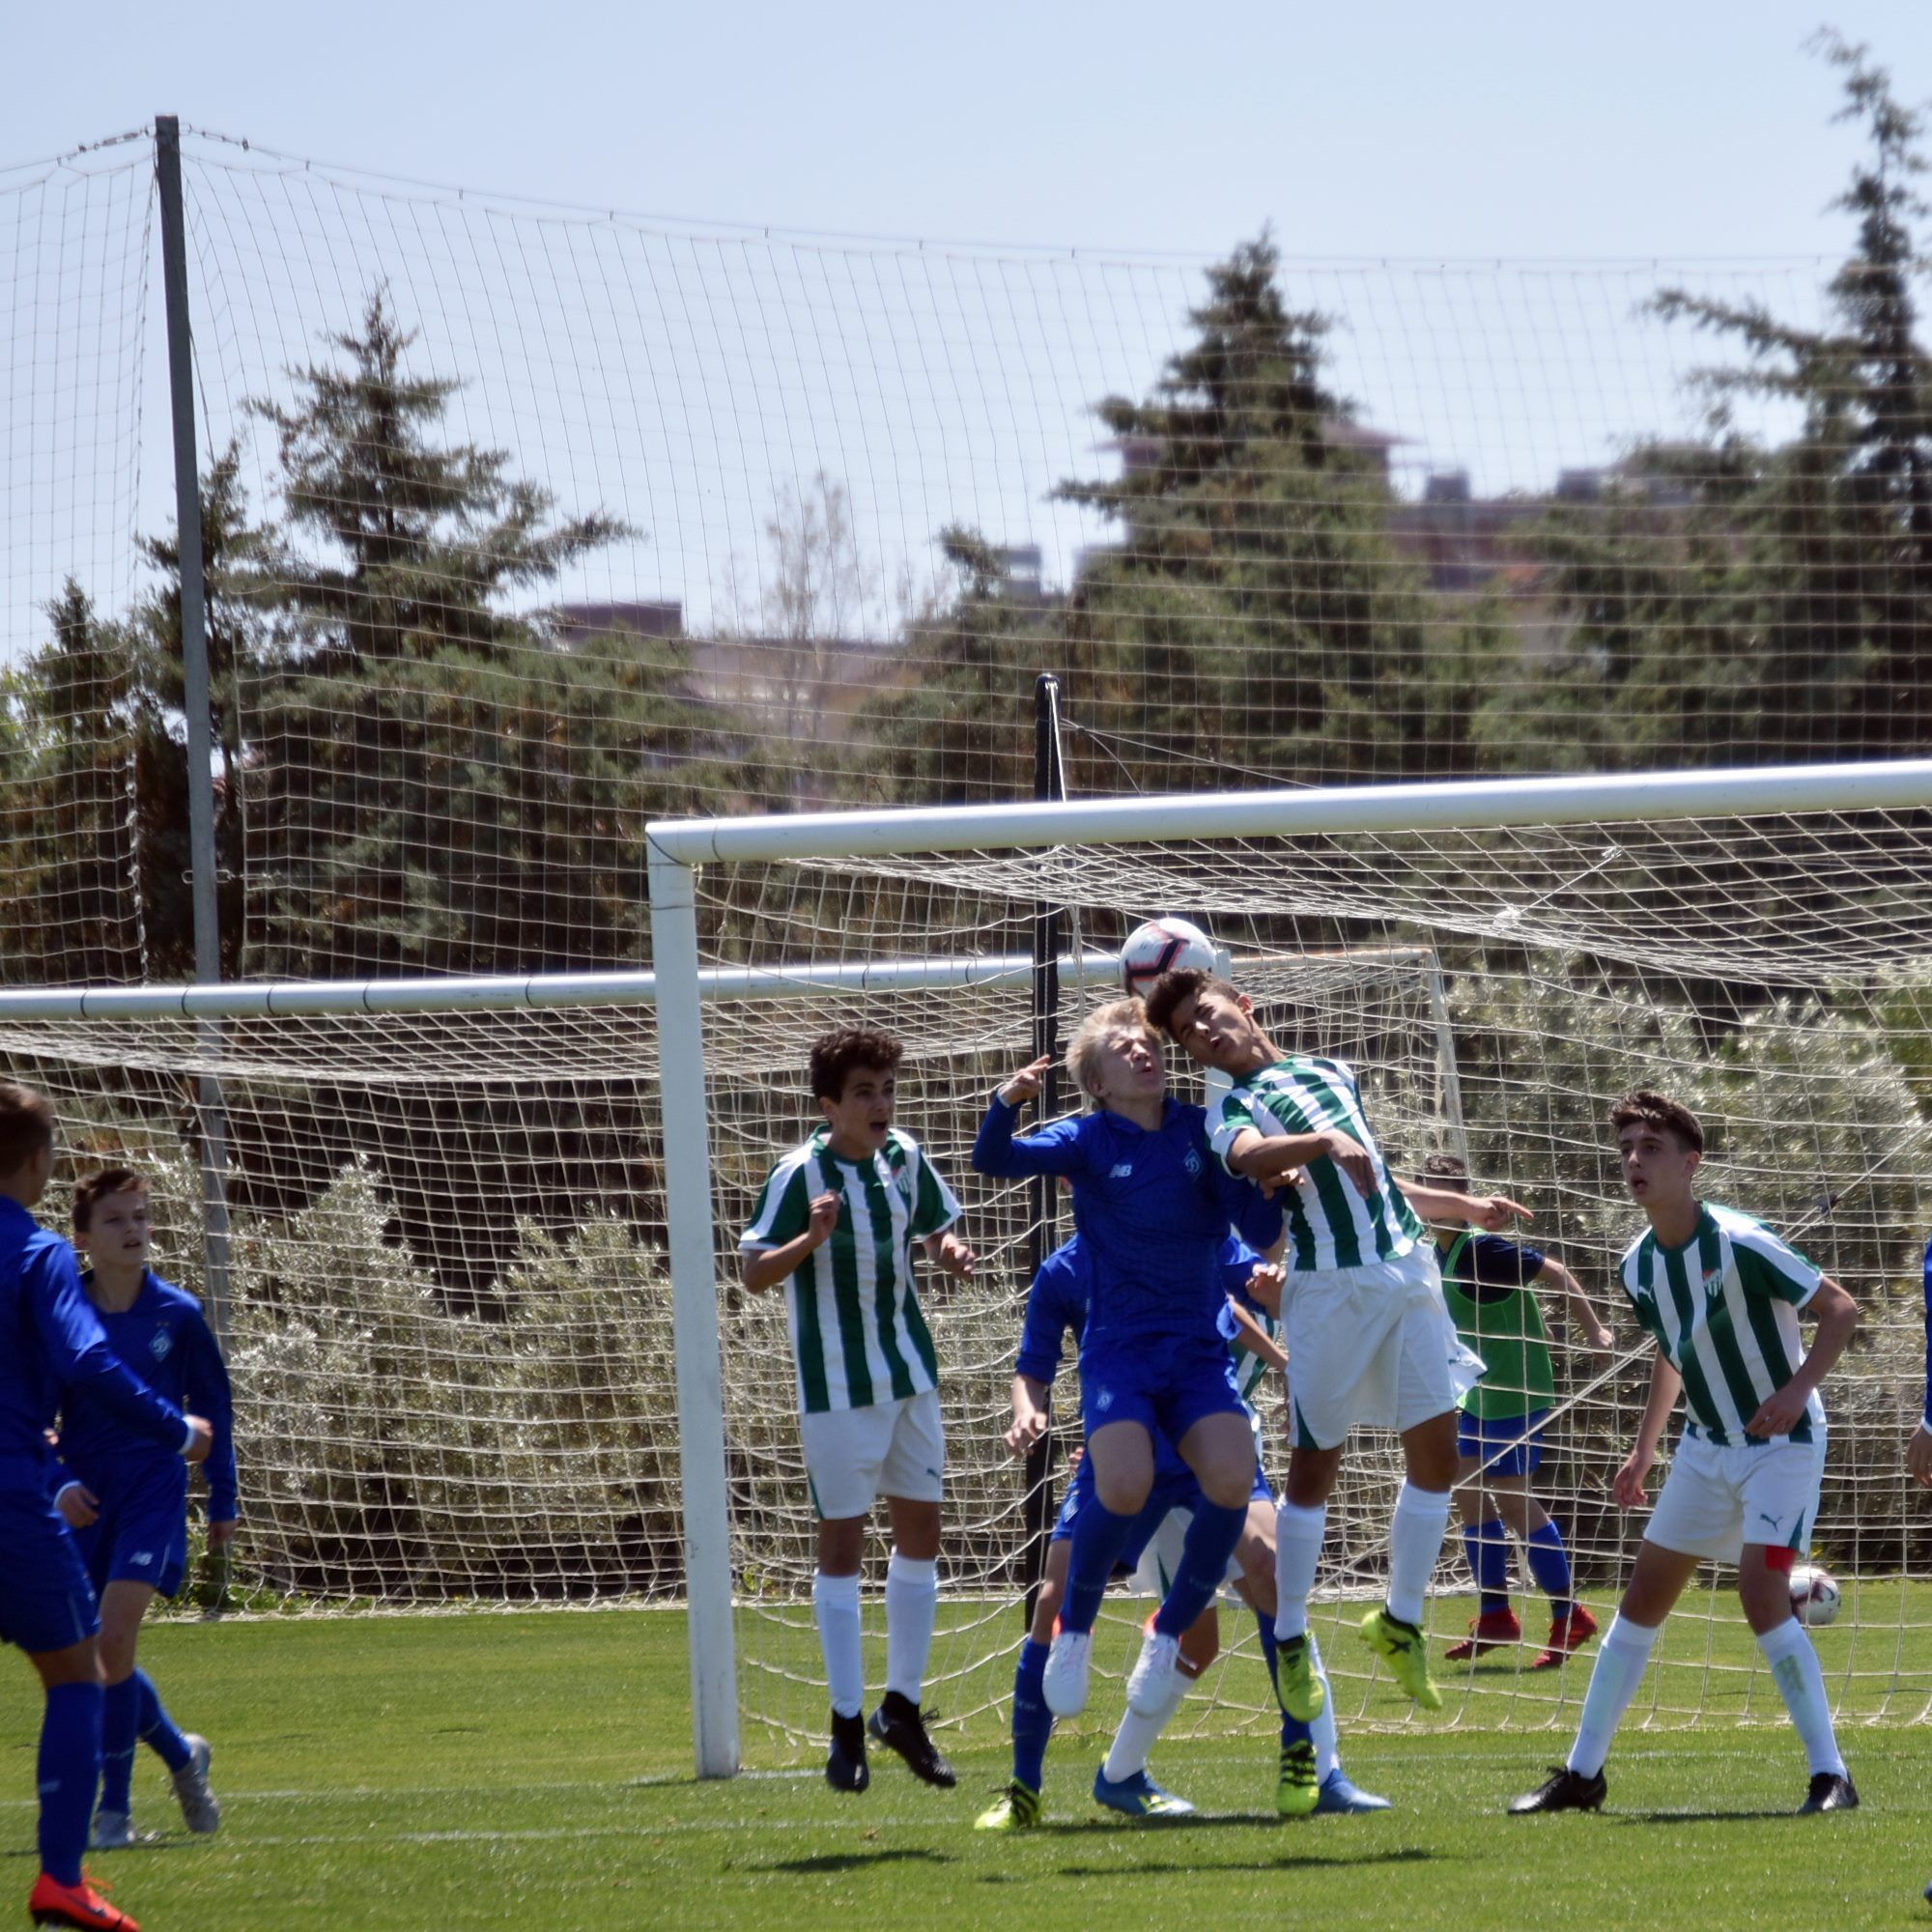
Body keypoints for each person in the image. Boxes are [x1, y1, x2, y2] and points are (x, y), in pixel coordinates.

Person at [1145, 969, 1524, 1720]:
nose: (1205, 1031)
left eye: (1208, 1012)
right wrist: (1320, 1141)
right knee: (1316, 1464)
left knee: (1440, 1454)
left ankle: (1402, 1621)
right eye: (1189, 1032)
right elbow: (1251, 1154)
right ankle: (1288, 1636)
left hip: (1407, 1274)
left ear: (1242, 1002)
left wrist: (1467, 1207)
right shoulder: (1230, 1105)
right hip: (1326, 1291)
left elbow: (1377, 1177)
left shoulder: (1329, 1070)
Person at [1511, 1091, 1860, 1817]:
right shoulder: (1637, 1266)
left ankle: (1832, 1777)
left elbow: (1840, 1308)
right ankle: (1582, 1776)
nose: (1635, 1161)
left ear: (1689, 1164)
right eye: (1627, 1150)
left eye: (1652, 1149)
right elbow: (1674, 1356)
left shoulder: (1740, 1239)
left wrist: (1796, 1392)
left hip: (1781, 1446)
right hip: (1704, 1449)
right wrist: (1644, 1451)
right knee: (1640, 1601)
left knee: (1761, 1595)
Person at [976, 1232, 1386, 1828]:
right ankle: (1026, 1790)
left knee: (1274, 1573)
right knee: (1056, 1601)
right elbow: (1032, 1369)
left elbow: (1240, 1294)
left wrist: (1277, 1329)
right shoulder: (1064, 1270)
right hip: (1123, 1456)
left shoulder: (1192, 1213)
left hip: (1210, 1443)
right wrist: (1026, 1409)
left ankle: (1319, 1770)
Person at [972, 1000, 1276, 1731]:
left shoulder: (1204, 1132)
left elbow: (1258, 1232)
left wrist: (1272, 1184)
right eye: (1123, 1047)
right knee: (1125, 1483)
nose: (1143, 1051)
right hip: (1122, 1354)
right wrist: (1006, 1101)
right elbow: (993, 1160)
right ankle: (1074, 1628)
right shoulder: (1085, 1139)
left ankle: (1168, 1631)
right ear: (1099, 1084)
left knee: (1234, 1479)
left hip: (1197, 1354)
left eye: (1148, 1042)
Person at [739, 1025, 977, 1795]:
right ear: (829, 1106)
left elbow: (938, 1228)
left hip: (910, 1375)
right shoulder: (798, 1173)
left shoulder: (904, 1157)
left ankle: (901, 1708)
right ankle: (845, 1726)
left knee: (923, 1535)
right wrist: (810, 1239)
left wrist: (947, 1251)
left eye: (887, 1090)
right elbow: (753, 1274)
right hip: (838, 1388)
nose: (880, 1106)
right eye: (864, 1094)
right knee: (841, 1546)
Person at [0, 1084, 213, 1932]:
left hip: (55, 1483)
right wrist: (177, 1431)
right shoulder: (41, 1252)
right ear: (39, 1162)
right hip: (14, 1494)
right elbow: (87, 1363)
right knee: (78, 1673)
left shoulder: (168, 1310)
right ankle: (62, 1880)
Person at [55, 1168, 232, 1849]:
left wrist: (224, 1497)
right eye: (116, 1220)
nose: (133, 1230)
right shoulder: (63, 1311)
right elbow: (34, 1411)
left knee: (115, 1638)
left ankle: (113, 1815)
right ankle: (183, 1756)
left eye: (141, 1216)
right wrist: (52, 1483)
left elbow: (215, 1409)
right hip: (84, 1495)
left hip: (152, 1490)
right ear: (84, 1239)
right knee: (97, 1653)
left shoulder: (178, 1314)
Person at [1418, 1150, 1614, 1669]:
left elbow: (1559, 1272)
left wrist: (1593, 1330)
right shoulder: (1438, 1252)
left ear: (1459, 1199)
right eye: (1425, 1188)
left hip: (1519, 1392)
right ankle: (1496, 1617)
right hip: (1480, 1394)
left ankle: (1569, 1614)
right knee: (1467, 1493)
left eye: (1441, 1191)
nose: (1430, 1202)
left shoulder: (1482, 1249)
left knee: (1514, 1501)